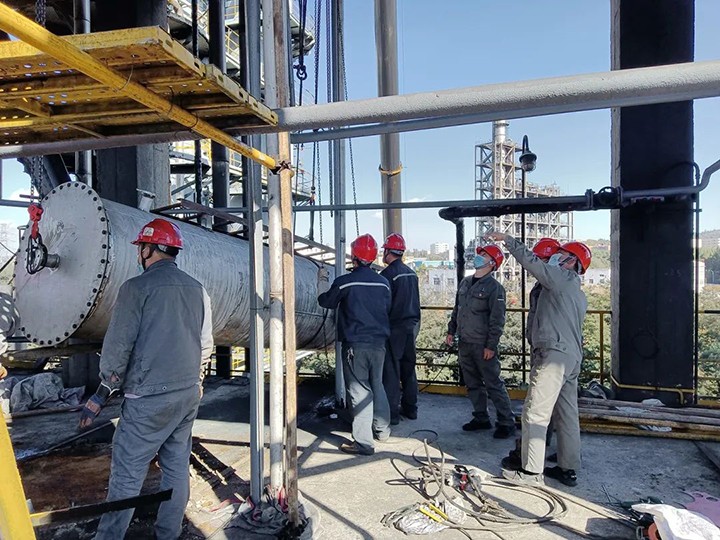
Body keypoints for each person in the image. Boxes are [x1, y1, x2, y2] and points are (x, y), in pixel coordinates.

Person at [79, 218, 214, 540]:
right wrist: (195, 381)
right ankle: (168, 534)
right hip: (187, 393)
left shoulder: (135, 288)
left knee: (127, 474)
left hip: (148, 398)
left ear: (149, 249)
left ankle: (109, 538)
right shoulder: (198, 289)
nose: (139, 252)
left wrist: (101, 393)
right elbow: (206, 343)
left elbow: (118, 346)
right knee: (176, 467)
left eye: (141, 246)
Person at [488, 232, 590, 487]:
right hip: (571, 357)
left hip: (554, 355)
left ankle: (531, 472)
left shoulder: (560, 278)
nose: (555, 258)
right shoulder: (575, 291)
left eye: (560, 255)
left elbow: (531, 262)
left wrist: (508, 240)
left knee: (535, 412)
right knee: (566, 414)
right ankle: (568, 468)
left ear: (572, 262)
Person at [317, 233, 392, 456]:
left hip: (355, 345)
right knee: (377, 384)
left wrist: (322, 280)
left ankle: (363, 443)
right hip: (379, 344)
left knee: (359, 392)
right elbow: (386, 309)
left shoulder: (345, 281)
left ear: (354, 256)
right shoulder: (384, 283)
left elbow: (325, 302)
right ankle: (383, 430)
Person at [446, 244, 515, 439]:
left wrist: (491, 346)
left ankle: (506, 422)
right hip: (465, 342)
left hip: (482, 345)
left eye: (484, 255)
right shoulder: (466, 283)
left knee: (493, 383)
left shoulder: (495, 288)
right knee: (472, 383)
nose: (479, 257)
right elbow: (457, 309)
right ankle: (481, 417)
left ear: (492, 263)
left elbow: (497, 320)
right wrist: (451, 331)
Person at [380, 233, 421, 424]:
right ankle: (411, 409)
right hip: (411, 328)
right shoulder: (412, 273)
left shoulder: (387, 275)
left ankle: (393, 415)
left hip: (393, 328)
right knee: (409, 370)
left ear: (388, 251)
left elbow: (383, 305)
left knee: (392, 372)